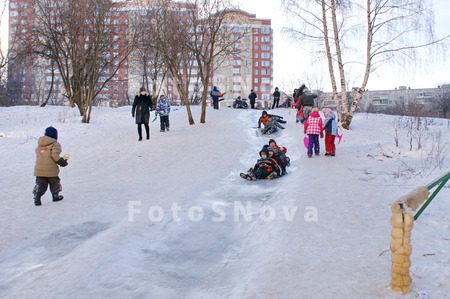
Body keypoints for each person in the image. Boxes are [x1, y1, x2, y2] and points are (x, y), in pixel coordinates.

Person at [33, 126, 68, 206]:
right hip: (51, 170)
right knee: (54, 183)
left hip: (39, 169)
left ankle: (37, 196)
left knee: (41, 184)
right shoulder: (55, 144)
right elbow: (54, 155)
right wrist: (62, 162)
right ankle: (55, 196)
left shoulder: (40, 145)